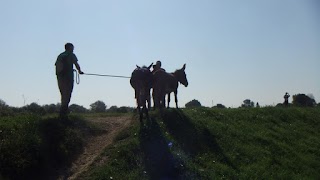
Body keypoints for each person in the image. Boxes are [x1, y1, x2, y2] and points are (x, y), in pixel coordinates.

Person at [55, 43, 84, 118]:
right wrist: (80, 71)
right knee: (68, 94)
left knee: (63, 94)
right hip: (68, 77)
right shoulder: (71, 54)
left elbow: (57, 66)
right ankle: (64, 112)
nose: (73, 49)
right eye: (72, 47)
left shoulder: (60, 55)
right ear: (69, 48)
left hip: (60, 77)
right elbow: (76, 63)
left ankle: (63, 112)